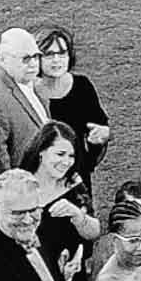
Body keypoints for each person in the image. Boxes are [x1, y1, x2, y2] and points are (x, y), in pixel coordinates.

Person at [26, 121, 102, 281]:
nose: (66, 161)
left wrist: (77, 215)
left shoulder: (74, 183)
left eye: (71, 155)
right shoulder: (22, 186)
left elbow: (95, 230)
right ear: (41, 151)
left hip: (75, 280)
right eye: (60, 154)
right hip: (39, 280)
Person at [0, 28, 50, 182]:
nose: (34, 64)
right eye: (25, 59)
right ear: (3, 59)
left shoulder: (21, 78)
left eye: (36, 56)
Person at [34, 24, 112, 177]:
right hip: (43, 176)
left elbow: (99, 126)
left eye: (62, 53)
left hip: (77, 173)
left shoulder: (82, 86)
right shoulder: (30, 92)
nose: (56, 60)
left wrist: (101, 135)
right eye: (49, 54)